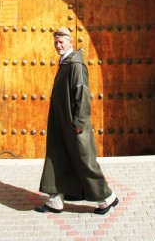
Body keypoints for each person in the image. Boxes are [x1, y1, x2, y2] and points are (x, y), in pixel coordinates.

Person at [35, 27, 119, 215]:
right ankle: (55, 201)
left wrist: (80, 123)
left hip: (74, 125)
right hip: (63, 124)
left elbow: (81, 94)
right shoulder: (65, 62)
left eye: (61, 42)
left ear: (70, 42)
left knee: (84, 161)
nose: (58, 46)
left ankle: (108, 198)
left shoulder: (76, 65)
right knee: (58, 159)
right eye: (56, 42)